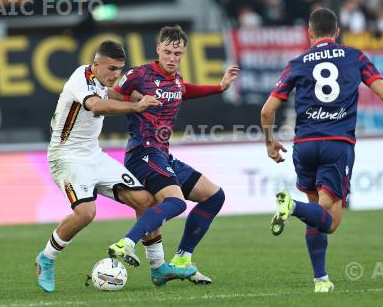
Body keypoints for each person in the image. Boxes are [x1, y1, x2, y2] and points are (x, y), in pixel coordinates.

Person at [260, 8, 383, 293]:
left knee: (317, 212)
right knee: (331, 221)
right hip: (337, 144)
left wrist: (269, 142)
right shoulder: (354, 56)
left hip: (304, 146)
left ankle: (321, 280)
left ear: (310, 33)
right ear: (337, 31)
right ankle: (292, 207)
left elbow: (267, 111)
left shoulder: (297, 63)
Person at [35, 40, 196, 293]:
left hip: (94, 156)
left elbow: (115, 93)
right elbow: (97, 104)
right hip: (66, 156)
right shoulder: (81, 76)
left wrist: (140, 97)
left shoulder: (103, 82)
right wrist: (136, 106)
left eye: (119, 69)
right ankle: (46, 258)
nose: (115, 75)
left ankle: (158, 267)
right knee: (86, 213)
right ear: (96, 64)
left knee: (146, 200)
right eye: (111, 69)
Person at [112, 25, 239, 285]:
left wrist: (219, 87)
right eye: (168, 52)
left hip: (163, 155)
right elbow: (112, 92)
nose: (172, 58)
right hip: (142, 152)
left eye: (178, 53)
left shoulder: (177, 79)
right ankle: (126, 243)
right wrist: (135, 102)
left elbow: (186, 90)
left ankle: (182, 258)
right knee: (177, 203)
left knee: (214, 196)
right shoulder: (139, 75)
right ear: (158, 49)